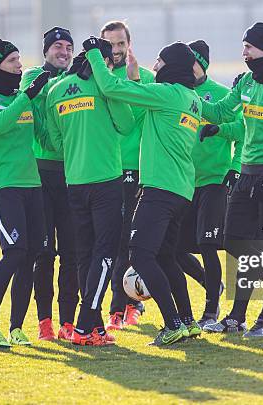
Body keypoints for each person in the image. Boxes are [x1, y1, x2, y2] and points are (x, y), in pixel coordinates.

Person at [85, 38, 202, 346]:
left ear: (172, 66)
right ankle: (188, 322)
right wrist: (136, 78)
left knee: (140, 254)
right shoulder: (191, 98)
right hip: (180, 190)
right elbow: (138, 110)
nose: (155, 67)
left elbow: (112, 88)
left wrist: (95, 54)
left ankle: (172, 323)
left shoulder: (167, 94)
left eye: (160, 62)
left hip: (159, 189)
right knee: (165, 257)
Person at [199, 22, 263, 338]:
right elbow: (220, 111)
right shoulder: (246, 81)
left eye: (249, 47)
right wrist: (186, 99)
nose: (244, 52)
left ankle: (257, 319)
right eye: (243, 46)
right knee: (233, 240)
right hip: (246, 175)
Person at [46, 39, 134, 346]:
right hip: (106, 181)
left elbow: (55, 142)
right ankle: (85, 325)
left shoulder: (56, 90)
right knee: (105, 254)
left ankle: (94, 328)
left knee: (85, 255)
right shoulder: (105, 87)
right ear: (104, 63)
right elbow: (126, 125)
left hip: (75, 182)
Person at [0, 38, 51, 348]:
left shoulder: (24, 98)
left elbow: (45, 138)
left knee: (31, 255)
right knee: (15, 252)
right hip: (3, 186)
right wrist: (27, 97)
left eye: (19, 59)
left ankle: (16, 328)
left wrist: (45, 101)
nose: (19, 65)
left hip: (32, 185)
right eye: (12, 60)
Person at [175, 39, 244, 328]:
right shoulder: (177, 94)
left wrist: (234, 168)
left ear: (201, 65)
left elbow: (243, 130)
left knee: (207, 244)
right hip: (184, 182)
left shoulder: (219, 95)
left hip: (215, 180)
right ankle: (212, 285)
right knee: (175, 248)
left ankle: (210, 313)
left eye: (190, 63)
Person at [20, 26, 80, 341]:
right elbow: (36, 118)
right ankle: (45, 321)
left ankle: (68, 322)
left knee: (72, 252)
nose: (64, 52)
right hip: (41, 175)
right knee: (44, 253)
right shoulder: (32, 77)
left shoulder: (75, 83)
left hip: (71, 175)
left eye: (69, 47)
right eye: (58, 46)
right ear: (46, 51)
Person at [99, 21, 155, 331]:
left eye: (122, 44)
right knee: (104, 244)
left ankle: (121, 309)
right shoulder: (95, 78)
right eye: (111, 45)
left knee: (126, 243)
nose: (117, 50)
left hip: (137, 172)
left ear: (129, 44)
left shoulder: (145, 78)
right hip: (102, 171)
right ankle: (126, 304)